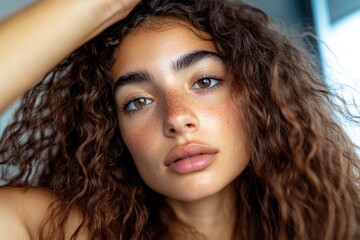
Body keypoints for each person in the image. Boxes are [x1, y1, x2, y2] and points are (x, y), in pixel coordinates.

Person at [0, 0, 359, 239]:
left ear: (260, 97)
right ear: (112, 131)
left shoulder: (341, 226)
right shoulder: (69, 230)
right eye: (138, 101)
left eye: (204, 82)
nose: (177, 118)